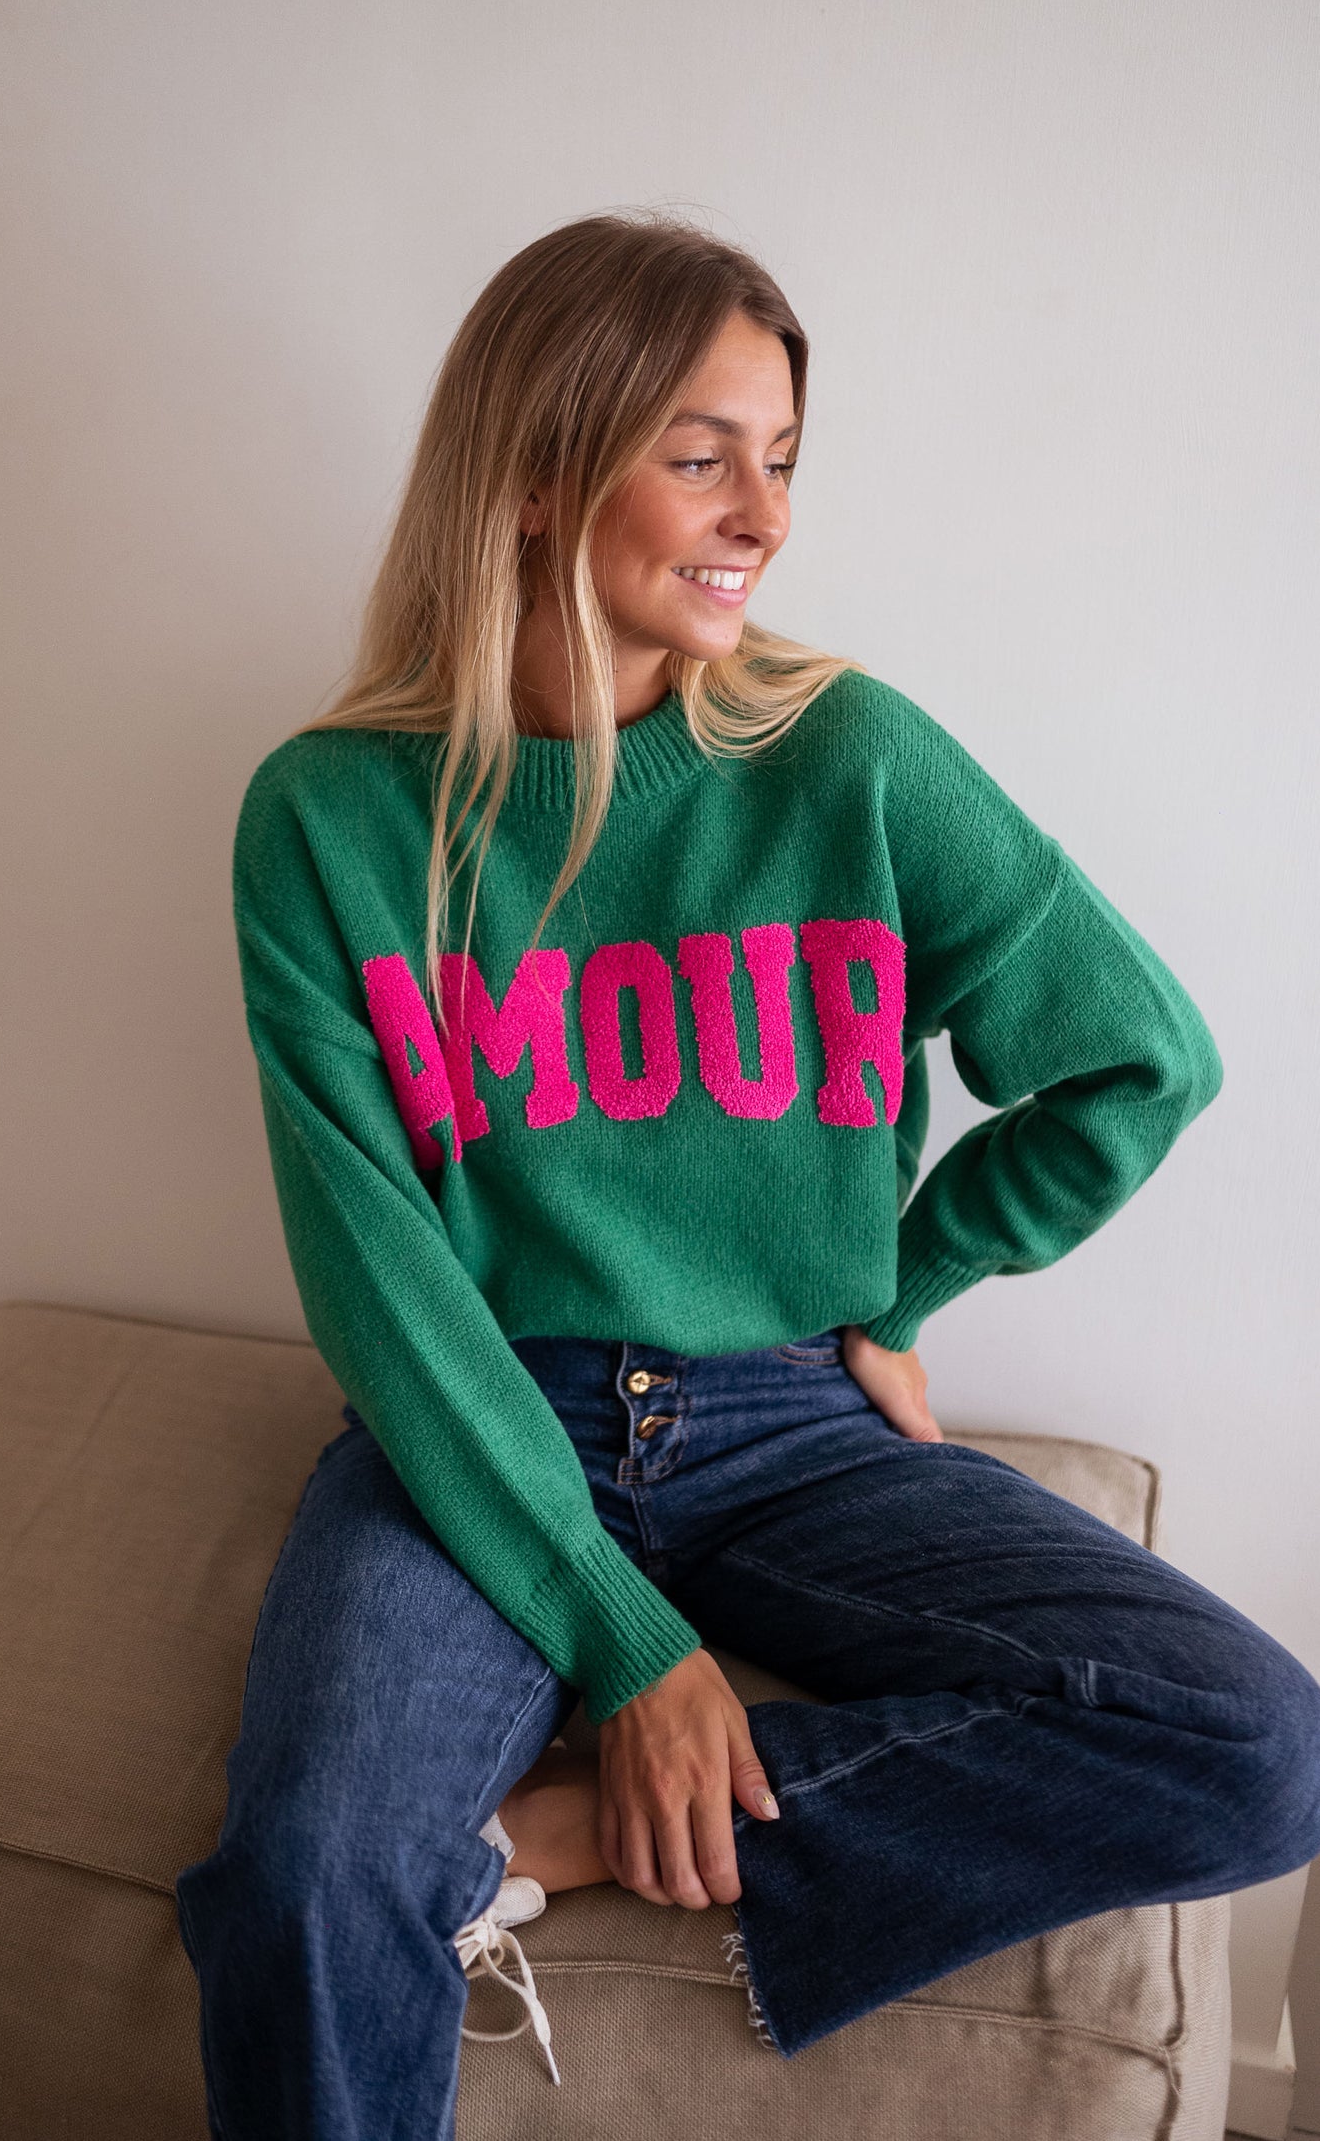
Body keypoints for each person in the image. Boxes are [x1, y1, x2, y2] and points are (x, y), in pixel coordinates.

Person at [175, 211, 1320, 2140]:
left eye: (780, 458)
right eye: (701, 455)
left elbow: (1141, 1059)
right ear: (535, 475)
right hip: (485, 1422)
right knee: (303, 1872)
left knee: (1258, 1746)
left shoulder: (845, 754)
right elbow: (380, 1277)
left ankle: (548, 1842)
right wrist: (632, 1652)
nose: (763, 517)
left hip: (793, 1425)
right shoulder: (327, 817)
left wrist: (903, 1288)